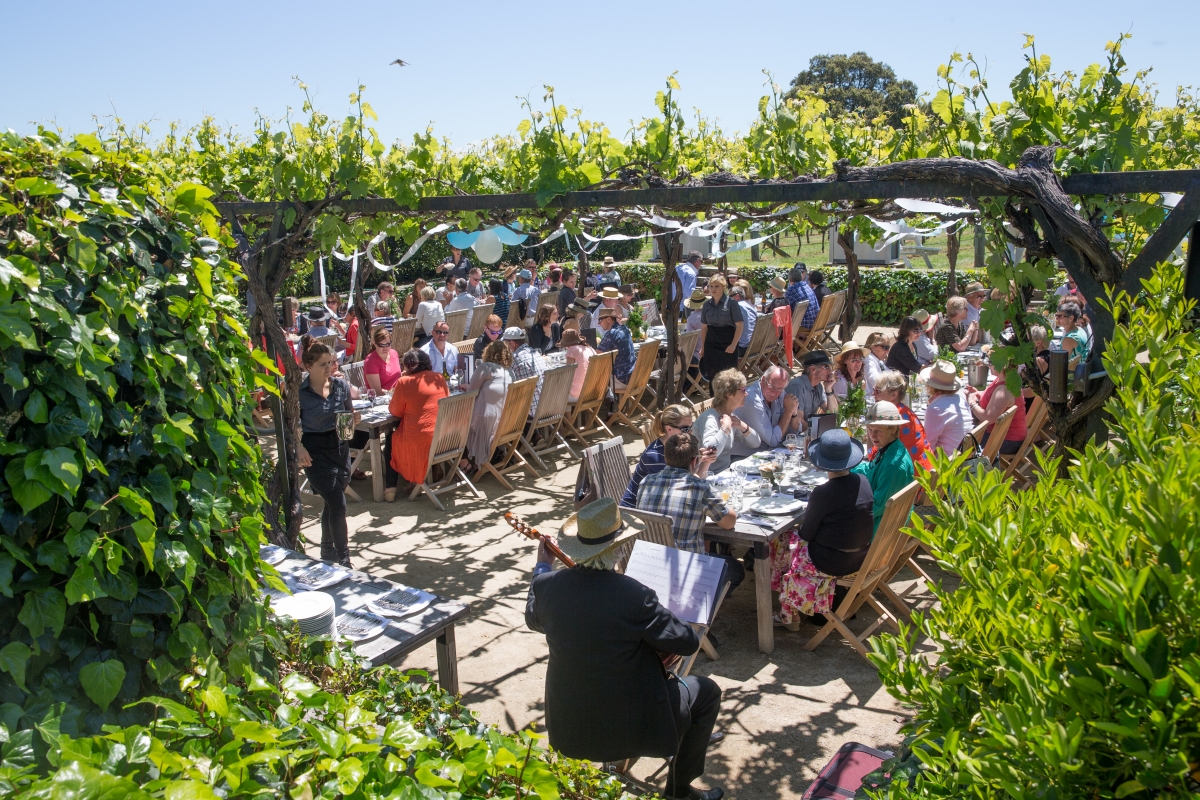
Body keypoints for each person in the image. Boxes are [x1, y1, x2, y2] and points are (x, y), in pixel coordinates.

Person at [525, 497, 724, 800]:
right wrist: (665, 613)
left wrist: (543, 563)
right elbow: (687, 642)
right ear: (617, 548)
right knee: (707, 692)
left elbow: (533, 616)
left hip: (569, 727)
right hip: (630, 727)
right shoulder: (634, 595)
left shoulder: (547, 586)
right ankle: (680, 792)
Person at [770, 429, 874, 629]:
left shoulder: (823, 492)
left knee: (781, 539)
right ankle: (792, 609)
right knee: (789, 539)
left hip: (830, 562)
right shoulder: (863, 481)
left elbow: (805, 534)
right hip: (860, 556)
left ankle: (789, 615)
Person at [636, 433, 744, 595]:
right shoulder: (699, 487)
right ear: (694, 461)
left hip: (650, 567)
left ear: (666, 458)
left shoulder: (646, 482)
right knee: (736, 569)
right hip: (686, 573)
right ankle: (698, 605)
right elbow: (729, 522)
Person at [296, 341, 358, 565]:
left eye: (331, 363)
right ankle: (344, 558)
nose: (329, 368)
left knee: (331, 504)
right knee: (337, 503)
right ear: (308, 366)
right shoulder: (299, 392)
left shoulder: (341, 385)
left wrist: (353, 420)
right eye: (323, 364)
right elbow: (289, 423)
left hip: (340, 446)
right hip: (314, 450)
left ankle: (326, 551)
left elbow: (348, 414)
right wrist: (298, 446)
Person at [621, 404, 709, 507]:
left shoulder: (680, 446)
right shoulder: (654, 456)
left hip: (658, 502)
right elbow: (683, 487)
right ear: (669, 429)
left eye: (691, 427)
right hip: (635, 509)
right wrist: (702, 464)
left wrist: (702, 460)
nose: (690, 432)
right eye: (685, 429)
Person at [388, 349, 450, 488]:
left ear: (408, 366)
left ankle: (390, 488)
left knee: (390, 438)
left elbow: (395, 411)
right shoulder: (439, 378)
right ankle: (423, 476)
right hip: (446, 438)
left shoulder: (404, 382)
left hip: (422, 441)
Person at [851, 401, 915, 531]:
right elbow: (871, 469)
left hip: (881, 531)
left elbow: (877, 507)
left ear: (893, 429)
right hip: (887, 524)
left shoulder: (894, 465)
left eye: (878, 430)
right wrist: (845, 468)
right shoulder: (891, 448)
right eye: (870, 430)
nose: (872, 436)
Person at [696, 369, 760, 474]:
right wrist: (725, 428)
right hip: (710, 476)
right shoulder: (710, 418)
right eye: (743, 390)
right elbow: (710, 452)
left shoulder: (730, 416)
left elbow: (756, 443)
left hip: (726, 473)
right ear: (729, 394)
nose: (746, 393)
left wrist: (743, 426)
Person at [463, 340, 514, 471]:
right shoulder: (510, 373)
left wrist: (465, 387)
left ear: (488, 352)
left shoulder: (485, 367)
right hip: (505, 421)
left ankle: (464, 462)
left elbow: (471, 393)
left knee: (457, 421)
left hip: (485, 420)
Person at [870, 370, 934, 471]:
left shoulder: (892, 417)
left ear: (894, 395)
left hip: (912, 478)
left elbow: (873, 457)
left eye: (878, 391)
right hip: (926, 471)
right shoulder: (904, 410)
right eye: (874, 389)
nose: (873, 394)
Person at [731, 367, 801, 457]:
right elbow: (773, 441)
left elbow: (794, 433)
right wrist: (788, 412)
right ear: (763, 379)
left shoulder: (780, 393)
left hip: (767, 453)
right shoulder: (752, 399)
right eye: (771, 386)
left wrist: (793, 413)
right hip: (744, 457)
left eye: (780, 389)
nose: (774, 392)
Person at [966, 359, 1028, 455]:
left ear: (1002, 365)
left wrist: (971, 403)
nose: (988, 365)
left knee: (958, 438)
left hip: (1006, 441)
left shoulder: (1004, 390)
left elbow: (988, 418)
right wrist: (979, 394)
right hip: (1005, 437)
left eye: (991, 362)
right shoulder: (1006, 380)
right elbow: (993, 397)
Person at [920, 360, 972, 456]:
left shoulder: (936, 409)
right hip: (965, 456)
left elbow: (928, 445)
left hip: (948, 463)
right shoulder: (960, 399)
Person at [698, 275, 743, 382]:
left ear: (723, 287)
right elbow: (704, 328)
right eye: (711, 286)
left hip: (727, 343)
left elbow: (740, 325)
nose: (713, 289)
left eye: (716, 286)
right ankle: (714, 398)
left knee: (728, 377)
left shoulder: (732, 304)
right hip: (711, 344)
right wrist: (703, 347)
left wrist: (733, 344)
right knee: (712, 376)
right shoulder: (706, 305)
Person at [785, 349, 839, 426]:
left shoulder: (818, 386)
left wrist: (828, 389)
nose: (830, 371)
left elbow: (833, 414)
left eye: (831, 367)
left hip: (807, 433)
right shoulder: (798, 386)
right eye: (826, 367)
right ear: (813, 369)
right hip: (792, 436)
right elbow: (798, 423)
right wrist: (816, 431)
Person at [506, 327, 547, 416]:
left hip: (528, 412)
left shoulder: (515, 359)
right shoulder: (536, 354)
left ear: (512, 343)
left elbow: (506, 384)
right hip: (546, 406)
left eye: (505, 343)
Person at [596, 308, 635, 389]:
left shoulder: (612, 333)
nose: (598, 323)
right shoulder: (625, 329)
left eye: (600, 319)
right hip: (633, 376)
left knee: (595, 379)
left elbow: (597, 354)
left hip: (621, 379)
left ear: (608, 319)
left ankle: (602, 401)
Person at [559, 328, 596, 403]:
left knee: (557, 392)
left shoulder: (572, 349)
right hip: (592, 391)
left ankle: (568, 415)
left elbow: (568, 373)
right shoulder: (590, 349)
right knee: (566, 388)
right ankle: (572, 415)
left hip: (577, 394)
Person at [363, 325, 403, 394]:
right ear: (374, 344)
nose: (385, 348)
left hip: (397, 393)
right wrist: (395, 394)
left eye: (388, 344)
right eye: (381, 345)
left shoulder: (394, 353)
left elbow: (396, 377)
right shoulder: (371, 362)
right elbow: (377, 391)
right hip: (382, 398)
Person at [1056, 300, 1090, 371]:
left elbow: (1060, 364)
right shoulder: (1080, 329)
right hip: (1081, 373)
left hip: (1071, 378)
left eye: (1060, 316)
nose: (1057, 318)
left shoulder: (1069, 339)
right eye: (1056, 315)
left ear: (1071, 318)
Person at [863, 332, 891, 403]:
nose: (887, 351)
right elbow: (875, 380)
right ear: (872, 347)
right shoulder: (868, 359)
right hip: (870, 400)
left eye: (888, 347)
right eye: (885, 347)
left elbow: (890, 374)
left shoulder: (878, 359)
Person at [731, 285, 757, 358]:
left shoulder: (737, 307)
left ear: (737, 296)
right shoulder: (750, 306)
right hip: (753, 346)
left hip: (742, 348)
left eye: (730, 296)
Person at [673, 251, 701, 316]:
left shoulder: (677, 268)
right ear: (697, 262)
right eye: (701, 262)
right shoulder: (691, 273)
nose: (701, 264)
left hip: (669, 307)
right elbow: (689, 293)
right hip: (681, 309)